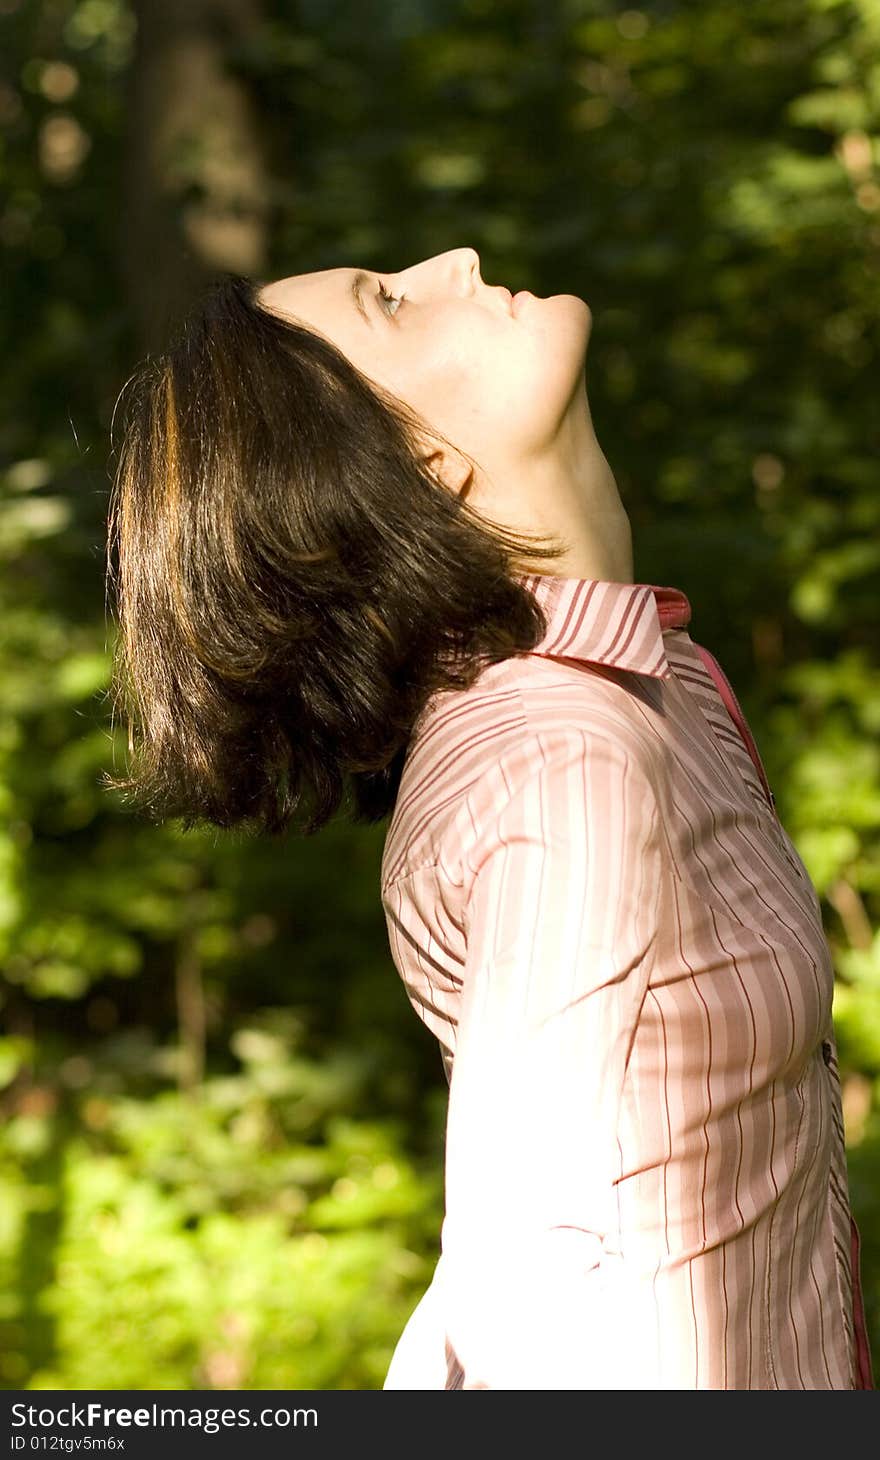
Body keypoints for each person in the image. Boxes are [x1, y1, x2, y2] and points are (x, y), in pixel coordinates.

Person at [105, 248, 873, 1390]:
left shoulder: (658, 672)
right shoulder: (559, 752)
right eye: (392, 302)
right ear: (418, 468)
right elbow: (527, 1278)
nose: (453, 259)